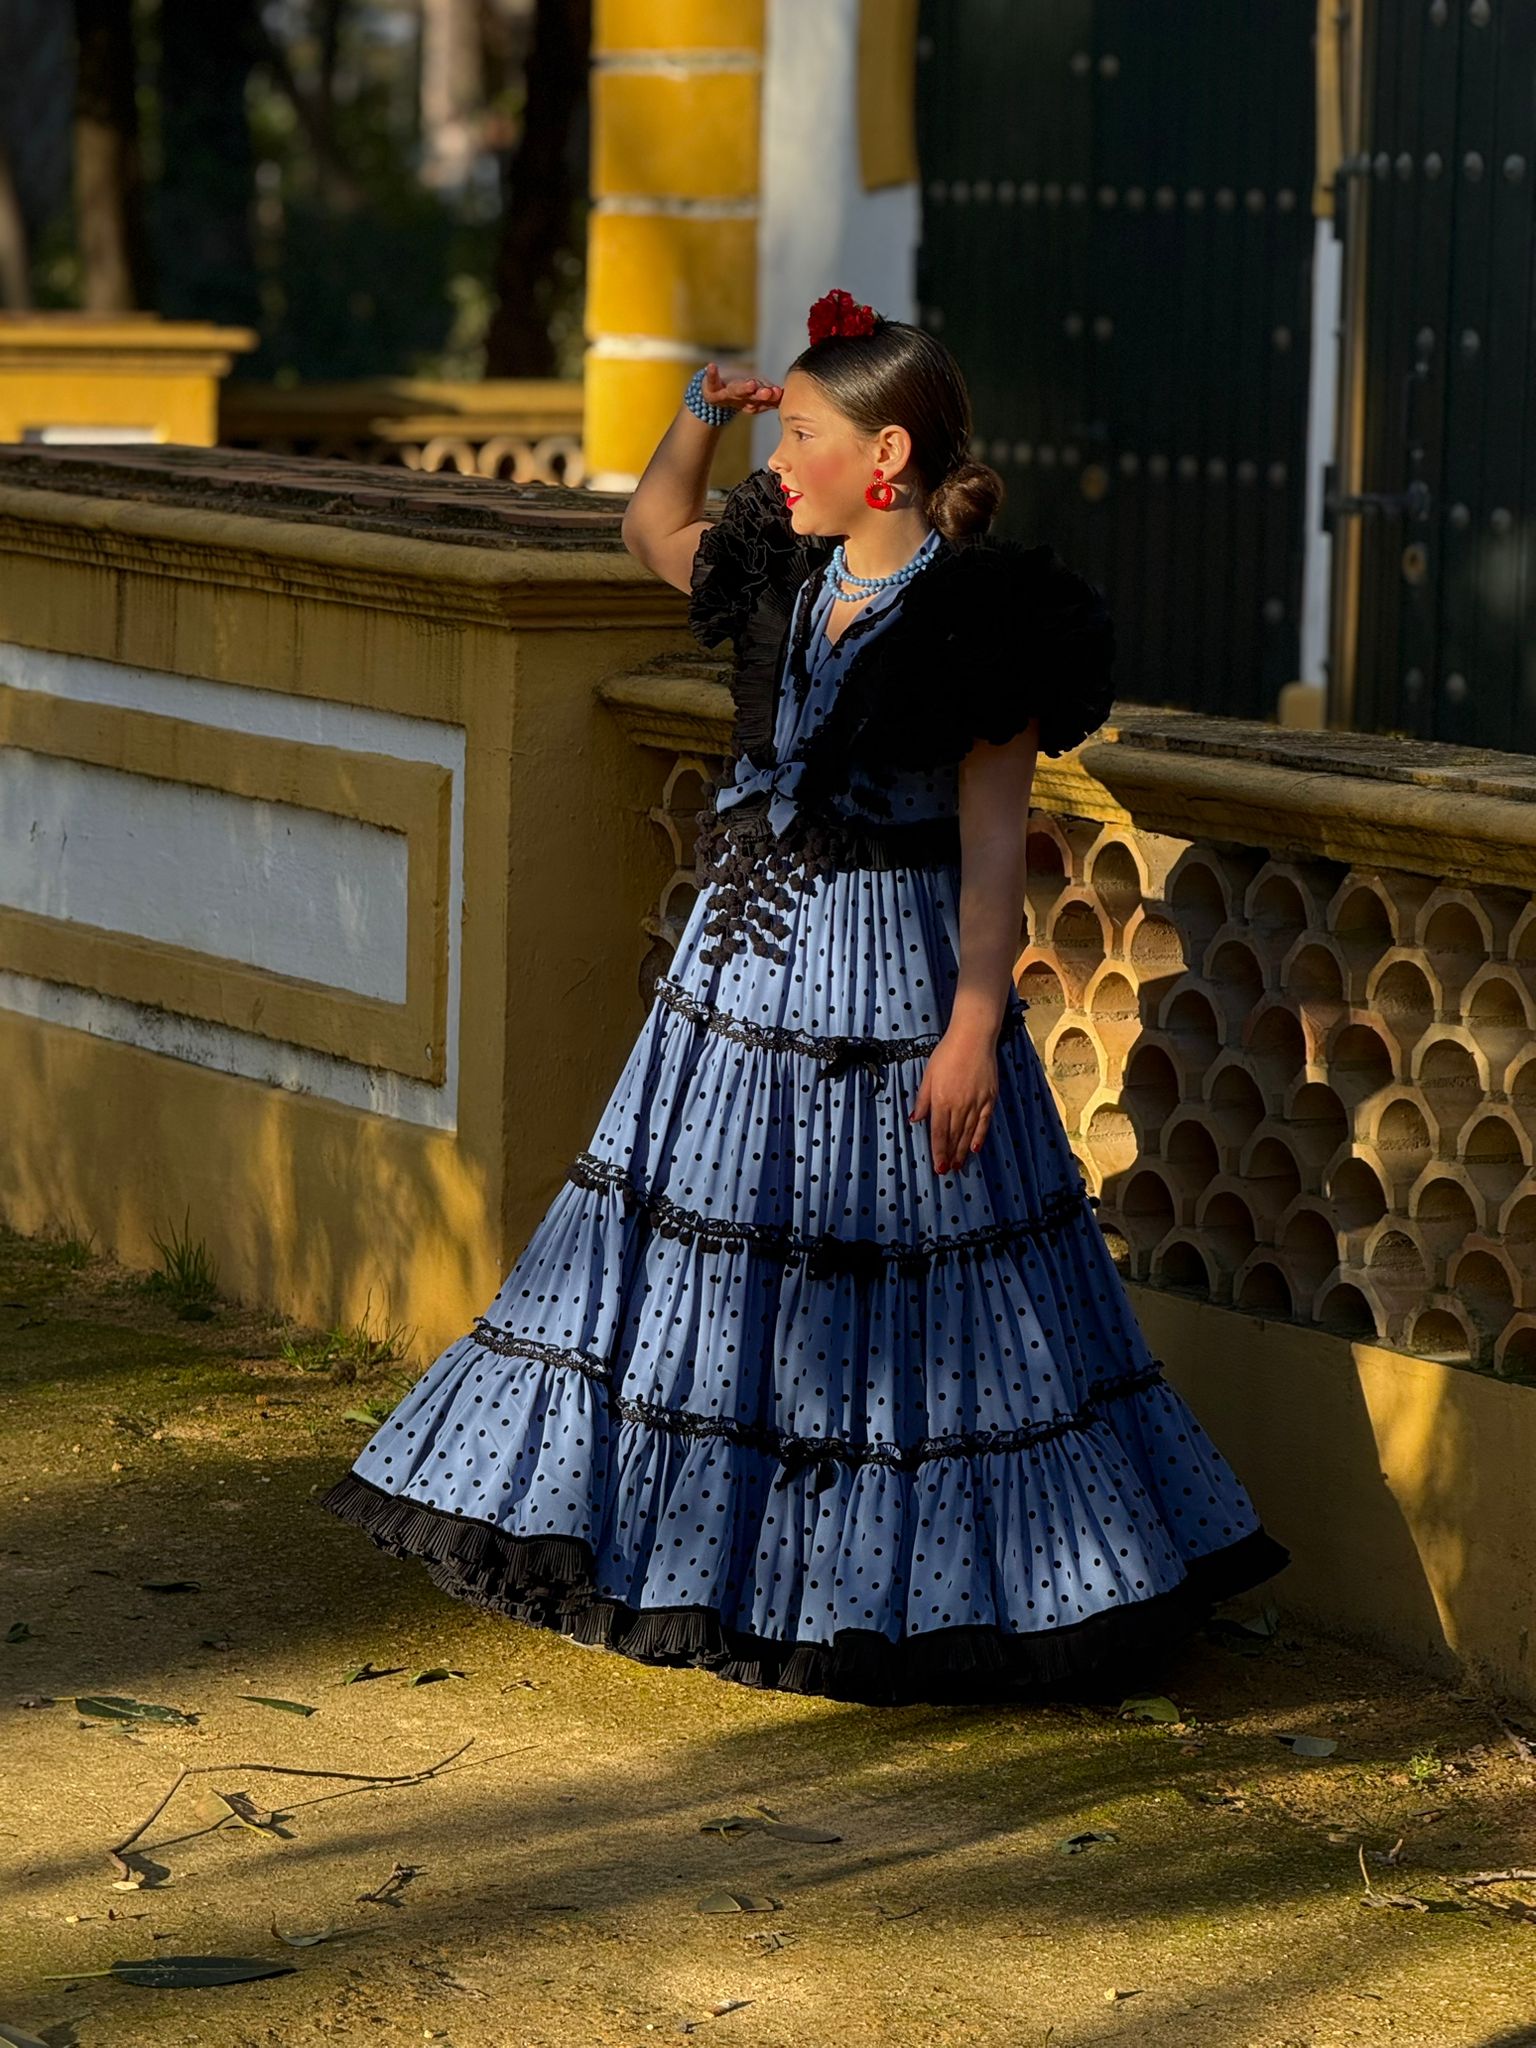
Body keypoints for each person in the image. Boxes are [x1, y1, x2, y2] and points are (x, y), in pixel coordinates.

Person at [320, 287, 1289, 1706]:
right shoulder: (780, 570)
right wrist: (702, 415)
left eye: (807, 431)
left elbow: (991, 848)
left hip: (895, 980)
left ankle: (927, 1595)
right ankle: (710, 1564)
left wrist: (971, 1030)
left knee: (929, 1296)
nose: (782, 456)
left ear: (886, 458)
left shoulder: (985, 619)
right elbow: (652, 528)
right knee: (712, 1281)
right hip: (734, 976)